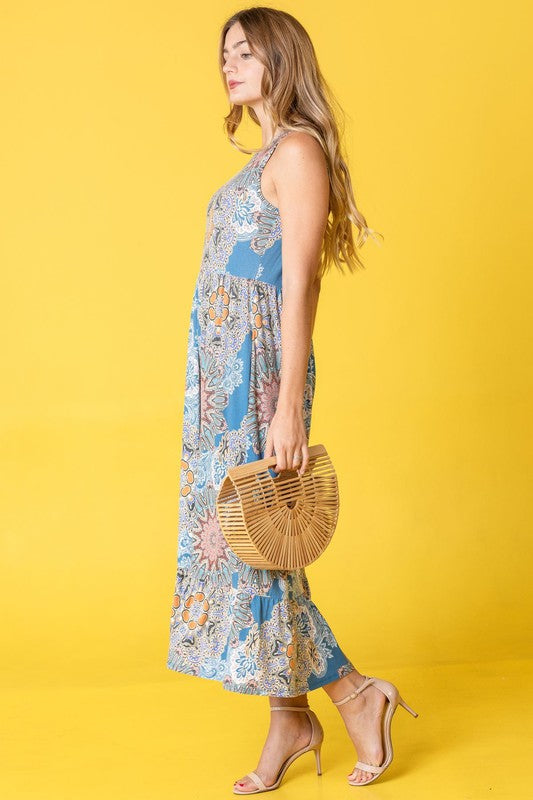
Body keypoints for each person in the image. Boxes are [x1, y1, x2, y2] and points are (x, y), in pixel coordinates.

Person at [167, 6, 418, 793]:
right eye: (223, 54)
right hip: (217, 384)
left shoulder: (299, 152)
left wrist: (286, 410)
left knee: (256, 552)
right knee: (252, 544)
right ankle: (290, 718)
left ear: (282, 59)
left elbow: (299, 281)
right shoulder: (262, 155)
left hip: (258, 379)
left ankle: (350, 695)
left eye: (245, 51)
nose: (229, 64)